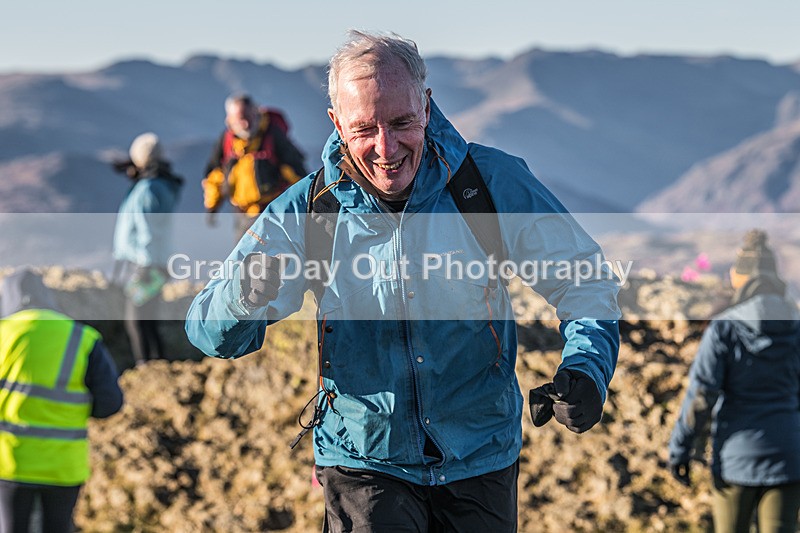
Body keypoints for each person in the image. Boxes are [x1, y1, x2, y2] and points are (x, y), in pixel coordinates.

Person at [186, 31, 620, 531]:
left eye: (401, 122)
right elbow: (207, 331)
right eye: (364, 129)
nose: (385, 148)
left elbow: (582, 278)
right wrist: (245, 294)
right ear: (335, 123)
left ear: (427, 106)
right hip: (364, 464)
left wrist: (588, 366)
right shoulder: (308, 211)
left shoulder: (485, 185)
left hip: (479, 456)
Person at [669, 229, 800, 533]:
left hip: (736, 458)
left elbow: (702, 394)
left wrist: (681, 449)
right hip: (789, 455)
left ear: (739, 279)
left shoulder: (724, 328)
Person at [0, 269, 124, 533]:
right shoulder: (82, 337)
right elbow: (110, 404)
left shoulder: (4, 333)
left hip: (10, 461)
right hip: (64, 465)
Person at [112, 132, 183, 365]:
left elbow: (147, 232)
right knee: (148, 319)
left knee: (137, 320)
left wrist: (145, 265)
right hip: (155, 262)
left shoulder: (147, 190)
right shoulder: (158, 185)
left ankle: (147, 368)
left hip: (147, 264)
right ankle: (160, 367)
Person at [202, 93, 307, 239]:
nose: (245, 124)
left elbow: (298, 176)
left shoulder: (273, 136)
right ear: (229, 120)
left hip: (272, 213)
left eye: (248, 117)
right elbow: (215, 175)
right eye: (240, 119)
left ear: (256, 112)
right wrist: (212, 207)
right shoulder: (226, 141)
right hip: (241, 215)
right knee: (244, 259)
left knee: (267, 259)